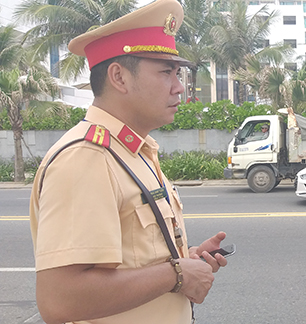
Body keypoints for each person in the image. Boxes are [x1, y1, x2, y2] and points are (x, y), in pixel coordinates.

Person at [28, 1, 229, 323]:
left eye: (178, 73)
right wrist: (176, 273)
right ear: (119, 77)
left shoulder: (132, 151)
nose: (179, 88)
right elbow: (60, 299)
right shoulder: (87, 158)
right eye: (166, 72)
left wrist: (185, 263)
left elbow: (132, 262)